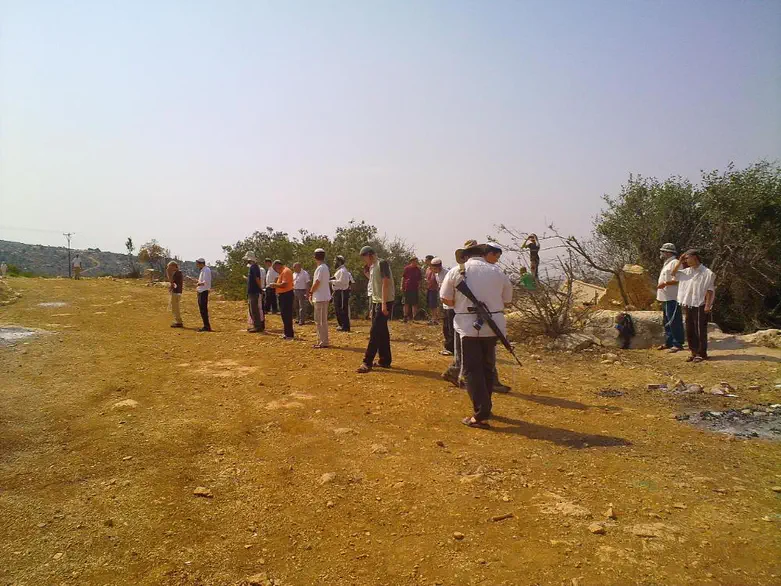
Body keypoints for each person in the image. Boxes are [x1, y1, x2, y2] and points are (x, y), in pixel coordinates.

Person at [441, 242, 513, 428]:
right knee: (487, 367)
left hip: (468, 326)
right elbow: (507, 300)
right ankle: (485, 406)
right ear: (482, 254)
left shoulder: (456, 271)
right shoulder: (497, 272)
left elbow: (446, 299)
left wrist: (461, 304)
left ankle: (481, 414)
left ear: (466, 256)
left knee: (472, 370)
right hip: (493, 326)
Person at [672, 249, 716, 363]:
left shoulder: (707, 272)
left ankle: (702, 353)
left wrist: (707, 305)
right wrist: (680, 261)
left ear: (695, 257)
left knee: (700, 330)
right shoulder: (687, 271)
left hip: (700, 304)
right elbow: (673, 274)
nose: (686, 260)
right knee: (690, 329)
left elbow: (709, 290)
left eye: (687, 258)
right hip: (689, 303)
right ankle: (693, 352)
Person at [357, 246, 395, 373]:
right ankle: (385, 360)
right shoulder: (373, 267)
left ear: (369, 255)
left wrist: (383, 304)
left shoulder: (382, 263)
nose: (364, 261)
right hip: (376, 301)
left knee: (375, 332)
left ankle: (367, 362)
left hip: (384, 301)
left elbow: (385, 283)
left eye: (364, 258)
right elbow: (375, 284)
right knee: (382, 331)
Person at [655, 243, 684, 352]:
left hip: (672, 296)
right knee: (667, 321)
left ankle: (678, 343)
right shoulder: (667, 263)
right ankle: (669, 342)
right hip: (665, 296)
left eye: (663, 251)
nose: (661, 253)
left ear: (668, 252)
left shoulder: (675, 263)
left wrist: (665, 283)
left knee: (674, 321)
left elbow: (678, 279)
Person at [308, 248, 331, 348]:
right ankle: (322, 340)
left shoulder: (321, 268)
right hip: (323, 297)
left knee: (320, 321)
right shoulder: (324, 267)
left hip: (320, 297)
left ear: (315, 257)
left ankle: (323, 342)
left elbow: (317, 282)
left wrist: (310, 292)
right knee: (321, 321)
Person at [269, 260, 295, 340]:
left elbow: (284, 285)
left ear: (278, 265)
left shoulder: (286, 271)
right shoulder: (282, 272)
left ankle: (289, 334)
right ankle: (287, 333)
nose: (275, 270)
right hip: (283, 295)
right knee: (284, 315)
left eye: (275, 268)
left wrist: (274, 285)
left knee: (287, 315)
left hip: (286, 295)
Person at [330, 255, 352, 332]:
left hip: (342, 292)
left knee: (342, 309)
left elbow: (343, 282)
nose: (334, 262)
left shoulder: (343, 271)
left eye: (335, 261)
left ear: (339, 262)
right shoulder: (339, 270)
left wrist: (331, 281)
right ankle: (341, 325)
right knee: (338, 309)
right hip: (337, 292)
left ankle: (345, 326)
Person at [245, 253, 265, 333]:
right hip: (252, 291)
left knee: (254, 309)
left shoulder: (254, 267)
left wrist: (260, 288)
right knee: (252, 309)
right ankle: (256, 325)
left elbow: (257, 278)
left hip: (254, 291)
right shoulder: (253, 267)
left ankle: (258, 326)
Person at [402, 257, 422, 322]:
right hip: (407, 287)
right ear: (412, 261)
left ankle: (414, 317)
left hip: (415, 288)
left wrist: (419, 287)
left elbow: (419, 280)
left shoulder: (418, 269)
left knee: (414, 303)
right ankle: (405, 317)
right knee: (406, 303)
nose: (416, 262)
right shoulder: (407, 268)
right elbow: (403, 278)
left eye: (417, 261)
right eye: (415, 261)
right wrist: (401, 286)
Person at [195, 258, 212, 332]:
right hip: (201, 291)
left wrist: (198, 284)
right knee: (202, 310)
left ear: (201, 263)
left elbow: (205, 282)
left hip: (203, 291)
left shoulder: (206, 270)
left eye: (197, 263)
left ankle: (207, 326)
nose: (197, 265)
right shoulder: (203, 270)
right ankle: (206, 326)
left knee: (203, 310)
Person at [167, 260, 184, 328]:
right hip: (176, 292)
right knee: (174, 307)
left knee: (175, 307)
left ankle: (179, 322)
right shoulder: (177, 273)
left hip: (176, 293)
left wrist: (168, 273)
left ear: (174, 266)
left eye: (170, 266)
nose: (169, 268)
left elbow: (172, 282)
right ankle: (178, 321)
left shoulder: (178, 273)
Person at [426, 258, 443, 325]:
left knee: (436, 305)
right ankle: (434, 318)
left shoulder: (445, 273)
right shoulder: (430, 270)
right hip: (431, 289)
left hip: (436, 290)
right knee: (431, 305)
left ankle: (436, 319)